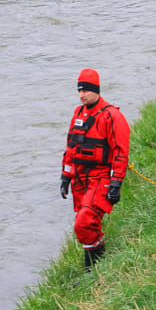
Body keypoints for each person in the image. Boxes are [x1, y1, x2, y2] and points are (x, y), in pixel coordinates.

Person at [60, 68, 130, 269]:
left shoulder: (112, 116)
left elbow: (120, 152)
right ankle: (97, 267)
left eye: (86, 91)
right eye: (79, 91)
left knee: (84, 222)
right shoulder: (78, 113)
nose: (81, 95)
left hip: (100, 177)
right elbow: (71, 147)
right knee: (85, 225)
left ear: (96, 90)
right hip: (80, 178)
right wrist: (65, 177)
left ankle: (92, 269)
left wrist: (116, 183)